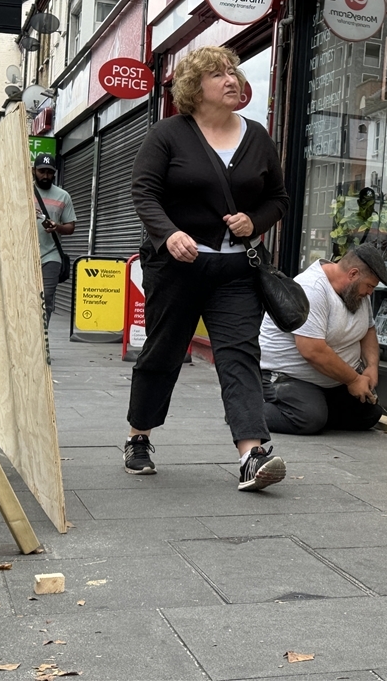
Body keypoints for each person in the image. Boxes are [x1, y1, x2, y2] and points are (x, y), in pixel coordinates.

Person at [125, 45, 289, 492]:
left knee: (239, 355)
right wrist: (168, 233)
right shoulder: (168, 134)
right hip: (177, 266)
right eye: (218, 74)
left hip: (236, 269)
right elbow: (144, 192)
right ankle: (139, 435)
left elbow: (279, 198)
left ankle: (252, 455)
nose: (231, 79)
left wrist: (254, 221)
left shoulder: (257, 137)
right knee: (163, 351)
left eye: (233, 71)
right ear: (195, 88)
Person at [260, 244, 386, 436]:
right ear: (353, 274)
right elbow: (312, 350)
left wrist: (371, 367)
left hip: (330, 381)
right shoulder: (311, 288)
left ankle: (317, 410)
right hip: (285, 376)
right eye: (369, 286)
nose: (370, 292)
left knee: (369, 414)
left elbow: (368, 330)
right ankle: (246, 414)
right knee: (309, 418)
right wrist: (353, 379)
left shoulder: (356, 293)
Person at [32, 153, 76, 327]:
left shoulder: (63, 196)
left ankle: (42, 344)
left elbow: (71, 227)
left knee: (46, 297)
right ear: (34, 171)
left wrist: (56, 226)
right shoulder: (23, 192)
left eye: (49, 172)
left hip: (51, 256)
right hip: (25, 255)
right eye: (41, 171)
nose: (45, 176)